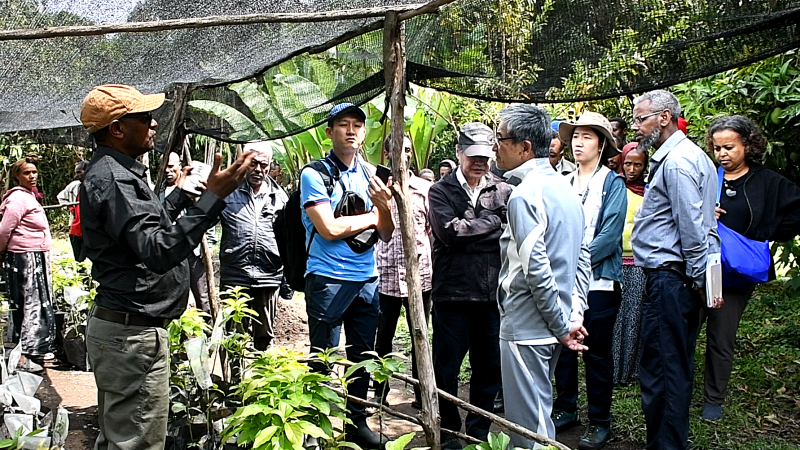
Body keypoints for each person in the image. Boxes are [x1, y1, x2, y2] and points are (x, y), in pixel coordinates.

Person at [79, 84, 256, 450]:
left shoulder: (118, 172)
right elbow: (157, 250)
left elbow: (141, 229)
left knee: (121, 436)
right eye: (144, 118)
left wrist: (180, 197)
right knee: (137, 443)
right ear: (117, 128)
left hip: (127, 331)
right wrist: (212, 199)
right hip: (131, 337)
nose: (154, 124)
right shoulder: (114, 178)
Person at [494, 104, 590, 449]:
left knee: (528, 430)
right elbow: (582, 256)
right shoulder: (567, 190)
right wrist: (572, 314)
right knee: (540, 413)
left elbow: (537, 270)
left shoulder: (525, 195)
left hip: (527, 327)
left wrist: (562, 325)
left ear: (524, 147)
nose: (495, 147)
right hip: (553, 325)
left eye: (500, 138)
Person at [300, 103, 394, 448]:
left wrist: (382, 208)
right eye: (343, 125)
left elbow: (386, 232)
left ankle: (357, 422)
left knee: (362, 355)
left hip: (367, 279)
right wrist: (371, 216)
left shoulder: (372, 175)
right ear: (329, 132)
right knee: (322, 353)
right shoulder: (315, 174)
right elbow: (327, 228)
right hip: (327, 277)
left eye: (357, 125)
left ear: (364, 133)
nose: (351, 130)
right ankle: (314, 424)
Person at [630, 90, 720, 450]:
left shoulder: (679, 162)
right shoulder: (684, 157)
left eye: (641, 119)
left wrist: (698, 279)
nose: (636, 127)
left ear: (664, 117)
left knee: (664, 373)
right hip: (677, 279)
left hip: (673, 279)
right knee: (671, 368)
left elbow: (693, 229)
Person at [701, 115, 800, 421]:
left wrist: (765, 233)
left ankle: (713, 399)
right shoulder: (708, 177)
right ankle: (678, 387)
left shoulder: (767, 181)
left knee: (722, 336)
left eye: (729, 147)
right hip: (701, 267)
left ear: (747, 144)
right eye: (717, 148)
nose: (722, 154)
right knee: (686, 330)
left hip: (737, 274)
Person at [428, 122, 511, 449]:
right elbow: (449, 233)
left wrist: (470, 231)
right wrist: (493, 222)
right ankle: (449, 431)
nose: (479, 163)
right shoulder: (440, 190)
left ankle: (477, 432)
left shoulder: (502, 189)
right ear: (459, 154)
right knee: (446, 368)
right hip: (451, 292)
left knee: (488, 368)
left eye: (485, 157)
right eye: (472, 156)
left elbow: (505, 234)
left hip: (490, 294)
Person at [553, 113, 627, 450]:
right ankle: (566, 408)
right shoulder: (562, 181)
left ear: (601, 144)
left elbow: (610, 236)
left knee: (597, 354)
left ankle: (600, 421)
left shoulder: (612, 183)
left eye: (586, 137)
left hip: (598, 283)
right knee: (563, 350)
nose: (578, 142)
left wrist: (575, 263)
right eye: (575, 136)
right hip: (566, 284)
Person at [372, 133, 433, 408]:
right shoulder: (375, 188)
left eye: (407, 150)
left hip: (420, 278)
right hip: (384, 276)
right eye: (397, 149)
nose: (403, 155)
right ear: (386, 154)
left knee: (420, 337)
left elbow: (431, 230)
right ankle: (379, 394)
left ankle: (423, 396)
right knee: (382, 340)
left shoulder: (425, 189)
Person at [219, 142, 288, 350]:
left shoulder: (281, 198)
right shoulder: (228, 192)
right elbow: (204, 220)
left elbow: (288, 240)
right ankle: (235, 379)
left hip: (269, 275)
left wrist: (287, 281)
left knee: (264, 335)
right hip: (235, 276)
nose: (258, 169)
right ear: (244, 162)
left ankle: (262, 377)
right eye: (253, 163)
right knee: (233, 336)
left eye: (263, 165)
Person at [0, 154, 55, 373]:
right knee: (30, 304)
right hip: (25, 257)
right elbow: (4, 229)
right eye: (26, 173)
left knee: (37, 302)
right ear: (17, 176)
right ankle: (26, 355)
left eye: (34, 172)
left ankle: (34, 350)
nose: (32, 176)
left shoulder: (28, 197)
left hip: (35, 254)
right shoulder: (18, 199)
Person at [159, 152, 216, 315]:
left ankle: (206, 331)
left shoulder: (191, 187)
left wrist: (210, 244)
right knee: (173, 294)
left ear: (180, 166)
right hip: (169, 251)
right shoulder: (159, 191)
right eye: (165, 167)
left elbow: (204, 216)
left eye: (171, 166)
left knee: (201, 295)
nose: (168, 171)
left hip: (192, 251)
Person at [611, 142, 648, 385]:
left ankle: (630, 370)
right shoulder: (614, 188)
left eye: (638, 164)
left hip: (638, 262)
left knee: (634, 316)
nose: (632, 169)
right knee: (614, 317)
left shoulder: (650, 192)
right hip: (613, 261)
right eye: (628, 163)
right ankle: (613, 370)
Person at [57, 161, 88, 261]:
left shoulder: (95, 185)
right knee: (78, 257)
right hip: (75, 226)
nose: (77, 175)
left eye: (79, 172)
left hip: (88, 228)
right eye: (76, 172)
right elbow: (61, 197)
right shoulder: (75, 186)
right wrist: (70, 207)